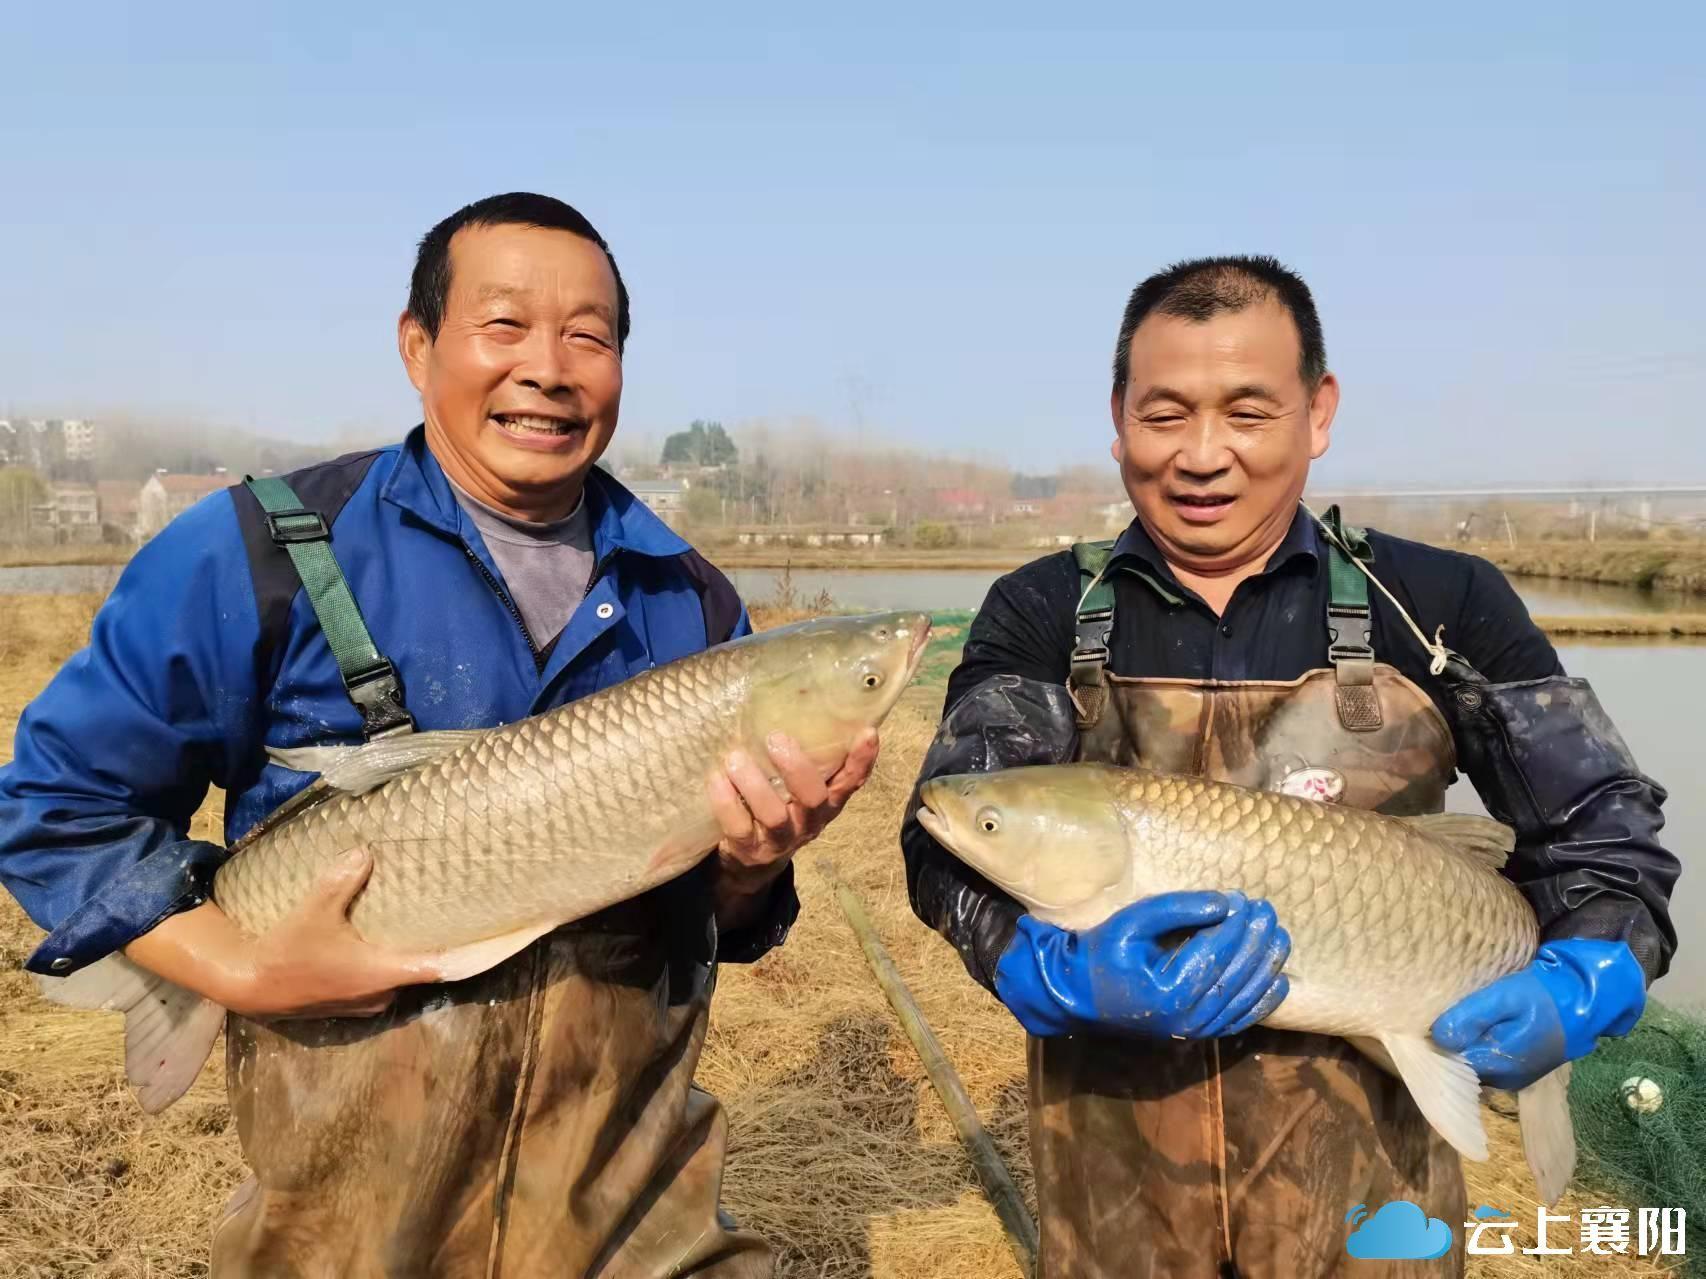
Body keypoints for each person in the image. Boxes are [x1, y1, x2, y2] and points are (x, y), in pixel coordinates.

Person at [0, 192, 879, 1277]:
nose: (548, 368)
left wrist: (752, 869)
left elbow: (721, 927)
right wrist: (235, 964)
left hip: (628, 1225)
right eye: (503, 326)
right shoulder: (261, 551)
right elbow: (59, 808)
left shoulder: (688, 602)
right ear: (418, 346)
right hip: (348, 1233)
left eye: (588, 337)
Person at [899, 255, 1678, 1278]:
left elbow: (1604, 835)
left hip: (1372, 1217)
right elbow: (941, 834)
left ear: (1317, 413)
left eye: (1247, 412)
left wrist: (1586, 974)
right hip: (1116, 1211)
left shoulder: (1438, 603)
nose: (1202, 455)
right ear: (1116, 415)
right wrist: (1032, 963)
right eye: (1165, 413)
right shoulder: (1043, 611)